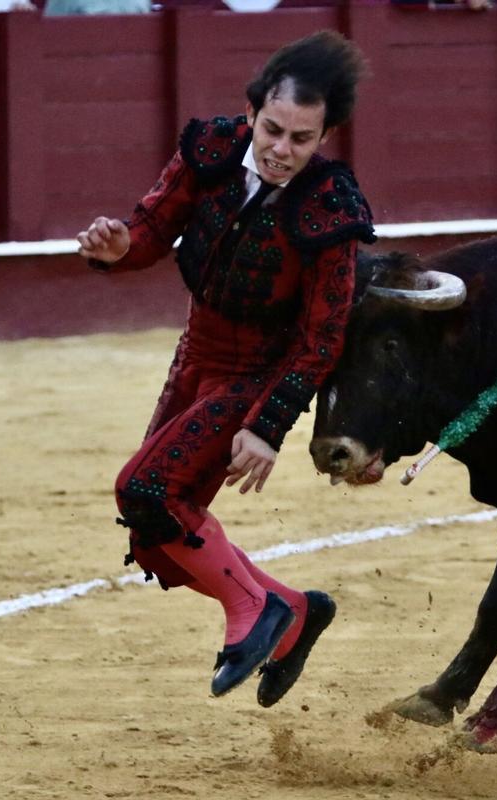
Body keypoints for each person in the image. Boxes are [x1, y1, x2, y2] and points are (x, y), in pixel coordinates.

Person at [76, 31, 375, 705]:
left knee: (147, 490)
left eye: (302, 138)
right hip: (196, 354)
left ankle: (252, 612)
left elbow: (322, 338)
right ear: (251, 113)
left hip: (256, 371)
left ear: (326, 136)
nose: (281, 149)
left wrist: (267, 427)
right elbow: (151, 228)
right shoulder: (210, 149)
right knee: (153, 537)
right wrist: (119, 248)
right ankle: (291, 610)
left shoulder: (332, 204)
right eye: (273, 129)